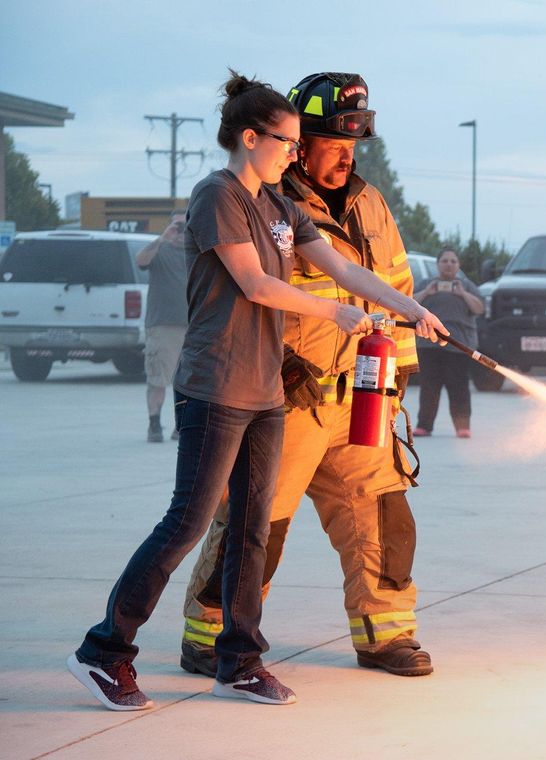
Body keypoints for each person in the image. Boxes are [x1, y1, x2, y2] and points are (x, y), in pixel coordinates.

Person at [67, 70, 445, 712]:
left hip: (321, 395)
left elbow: (350, 268)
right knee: (200, 523)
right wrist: (341, 317)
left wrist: (409, 311)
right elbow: (255, 284)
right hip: (231, 386)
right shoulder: (218, 195)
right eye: (300, 141)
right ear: (253, 138)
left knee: (294, 524)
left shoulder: (290, 207)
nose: (308, 153)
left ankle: (245, 660)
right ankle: (112, 649)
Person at [179, 72, 434, 679]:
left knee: (383, 514)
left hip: (361, 400)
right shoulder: (262, 203)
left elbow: (392, 284)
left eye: (354, 146)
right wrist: (287, 364)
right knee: (254, 523)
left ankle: (385, 635)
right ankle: (208, 633)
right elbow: (250, 295)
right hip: (287, 397)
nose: (345, 156)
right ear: (296, 139)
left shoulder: (370, 203)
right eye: (329, 143)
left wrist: (395, 378)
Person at [413, 249, 484, 438]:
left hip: (459, 346)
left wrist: (462, 294)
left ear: (458, 265)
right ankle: (424, 426)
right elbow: (411, 305)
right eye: (445, 261)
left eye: (453, 261)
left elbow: (479, 308)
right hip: (428, 345)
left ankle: (463, 427)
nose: (449, 264)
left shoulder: (467, 286)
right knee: (429, 388)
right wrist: (427, 292)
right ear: (438, 264)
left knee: (459, 387)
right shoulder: (426, 284)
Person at [135, 212, 188, 442]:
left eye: (185, 226)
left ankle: (182, 425)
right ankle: (154, 425)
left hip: (193, 327)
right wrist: (162, 238)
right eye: (176, 225)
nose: (180, 231)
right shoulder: (160, 250)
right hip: (162, 326)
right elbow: (141, 260)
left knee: (188, 382)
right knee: (157, 378)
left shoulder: (196, 253)